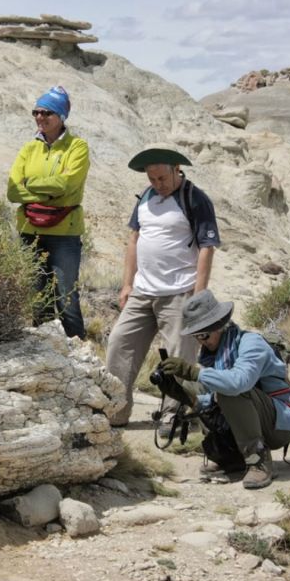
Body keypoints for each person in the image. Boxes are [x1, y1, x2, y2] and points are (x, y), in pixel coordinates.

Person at [104, 144, 219, 428]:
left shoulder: (195, 199)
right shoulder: (145, 197)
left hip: (179, 292)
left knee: (180, 357)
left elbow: (207, 247)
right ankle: (115, 413)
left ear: (176, 169)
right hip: (142, 292)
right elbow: (134, 240)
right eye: (152, 179)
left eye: (162, 179)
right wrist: (127, 284)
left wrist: (199, 294)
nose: (158, 184)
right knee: (119, 344)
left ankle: (175, 416)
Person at [159, 290, 290, 489]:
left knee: (227, 388)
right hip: (251, 414)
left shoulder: (251, 343)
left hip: (279, 424)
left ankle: (258, 460)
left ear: (220, 325)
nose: (202, 341)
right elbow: (211, 400)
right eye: (196, 336)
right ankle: (231, 455)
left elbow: (239, 383)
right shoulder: (211, 356)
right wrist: (185, 396)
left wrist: (194, 372)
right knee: (193, 385)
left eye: (204, 335)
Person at [7, 86, 90, 340]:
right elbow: (12, 191)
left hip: (64, 235)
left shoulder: (78, 148)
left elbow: (66, 185)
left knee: (67, 300)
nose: (40, 118)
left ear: (62, 117)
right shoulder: (28, 148)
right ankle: (46, 354)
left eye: (47, 113)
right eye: (36, 112)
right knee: (37, 299)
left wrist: (30, 184)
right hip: (29, 233)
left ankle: (81, 358)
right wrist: (50, 191)